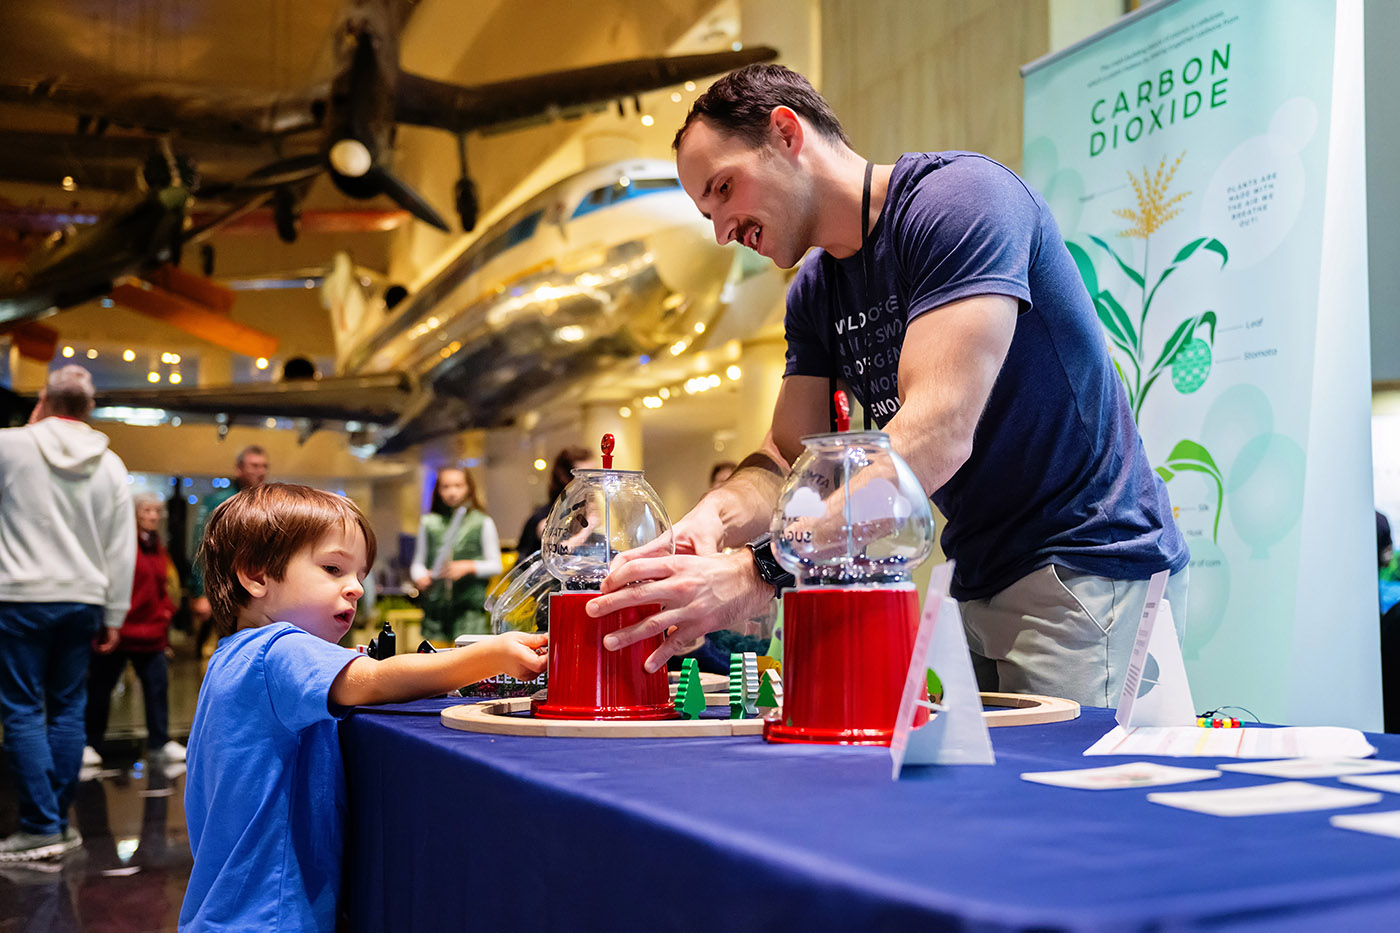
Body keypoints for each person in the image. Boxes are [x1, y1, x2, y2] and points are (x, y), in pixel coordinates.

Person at [589, 64, 1188, 708]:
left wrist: (758, 570)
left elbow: (935, 436)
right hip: (978, 573)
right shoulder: (815, 290)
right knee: (989, 805)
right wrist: (712, 522)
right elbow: (787, 459)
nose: (722, 231)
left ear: (786, 133)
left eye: (724, 189)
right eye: (707, 211)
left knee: (1073, 802)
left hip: (1085, 560)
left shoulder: (959, 203)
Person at [181, 483, 546, 929]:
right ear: (256, 575)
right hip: (270, 915)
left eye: (359, 575)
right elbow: (373, 680)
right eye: (333, 569)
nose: (354, 588)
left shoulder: (233, 654)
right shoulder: (279, 649)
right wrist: (490, 656)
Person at [0, 365, 135, 861]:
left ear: (43, 400)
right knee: (67, 709)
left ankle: (40, 827)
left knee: (21, 709)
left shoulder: (9, 446)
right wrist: (115, 613)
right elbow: (121, 549)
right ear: (89, 409)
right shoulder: (112, 465)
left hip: (18, 597)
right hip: (84, 600)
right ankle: (55, 821)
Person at [83, 492, 184, 769]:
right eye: (146, 511)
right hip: (119, 630)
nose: (152, 516)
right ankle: (89, 743)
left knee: (157, 688)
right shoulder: (121, 543)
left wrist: (165, 613)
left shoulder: (158, 547)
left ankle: (159, 742)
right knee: (99, 690)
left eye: (156, 511)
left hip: (151, 633)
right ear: (134, 513)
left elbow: (165, 587)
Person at [188, 444, 268, 655]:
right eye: (254, 465)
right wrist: (200, 592)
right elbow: (201, 546)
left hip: (255, 591)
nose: (259, 471)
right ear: (239, 468)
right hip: (223, 587)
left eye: (263, 466)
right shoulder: (220, 501)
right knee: (217, 652)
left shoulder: (267, 501)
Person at [410, 466, 503, 642]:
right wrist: (421, 576)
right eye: (445, 486)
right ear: (438, 490)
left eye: (458, 485)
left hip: (469, 610)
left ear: (469, 487)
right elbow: (418, 562)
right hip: (435, 610)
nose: (452, 492)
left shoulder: (482, 521)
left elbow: (495, 564)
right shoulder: (429, 522)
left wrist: (468, 567)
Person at [517, 446, 596, 558]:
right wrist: (589, 527)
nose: (595, 483)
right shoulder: (544, 518)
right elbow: (560, 549)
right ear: (564, 477)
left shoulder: (586, 514)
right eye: (587, 477)